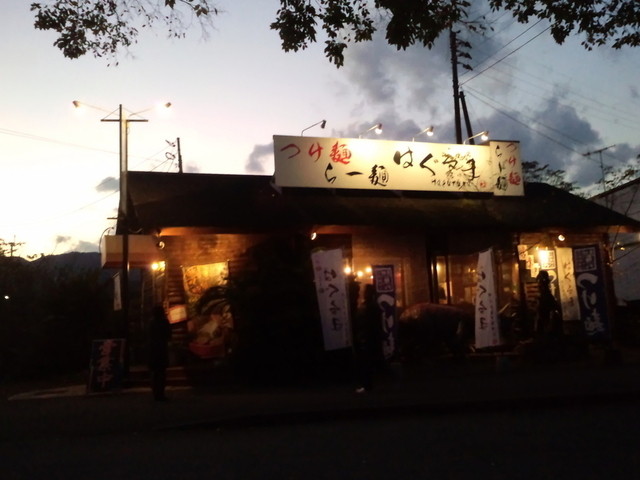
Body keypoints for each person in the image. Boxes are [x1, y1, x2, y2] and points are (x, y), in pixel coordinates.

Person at [353, 284, 381, 393]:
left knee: (366, 363)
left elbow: (370, 324)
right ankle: (367, 384)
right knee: (367, 362)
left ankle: (367, 385)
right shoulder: (370, 305)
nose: (363, 293)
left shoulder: (370, 306)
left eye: (364, 291)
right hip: (367, 337)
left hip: (367, 338)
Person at [148, 305, 172, 401]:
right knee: (161, 373)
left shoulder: (151, 323)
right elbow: (169, 335)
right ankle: (160, 393)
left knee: (155, 373)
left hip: (152, 350)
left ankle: (156, 393)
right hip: (161, 349)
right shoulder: (164, 322)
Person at [535, 271, 562, 337]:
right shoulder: (544, 295)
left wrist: (549, 324)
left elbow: (552, 310)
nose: (538, 285)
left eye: (539, 283)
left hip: (548, 323)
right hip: (545, 322)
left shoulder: (546, 296)